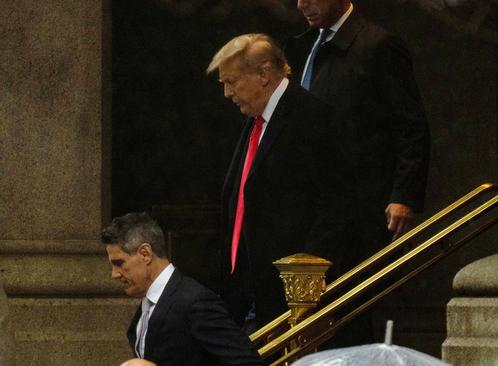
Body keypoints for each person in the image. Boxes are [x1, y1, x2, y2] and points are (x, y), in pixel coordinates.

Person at [206, 33, 348, 329]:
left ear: (264, 74)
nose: (227, 94)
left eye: (231, 82)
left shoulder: (312, 116)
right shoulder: (255, 120)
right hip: (247, 290)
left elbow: (335, 205)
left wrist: (305, 282)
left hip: (288, 295)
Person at [285, 0, 430, 255]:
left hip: (361, 209)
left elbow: (411, 127)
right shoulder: (302, 46)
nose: (300, 4)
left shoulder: (379, 45)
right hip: (311, 203)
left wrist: (404, 197)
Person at [101, 212, 262, 366]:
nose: (114, 274)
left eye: (119, 263)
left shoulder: (196, 302)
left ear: (145, 254)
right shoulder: (149, 304)